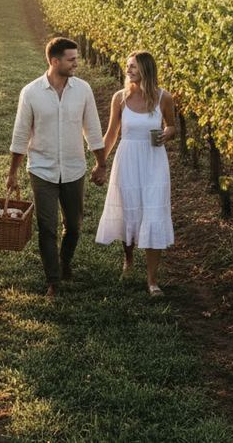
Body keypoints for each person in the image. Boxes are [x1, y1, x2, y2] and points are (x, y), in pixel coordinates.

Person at [8, 37, 106, 298]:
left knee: (73, 226)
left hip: (74, 168)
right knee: (47, 227)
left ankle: (65, 262)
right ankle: (53, 280)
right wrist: (12, 173)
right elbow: (20, 135)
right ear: (54, 61)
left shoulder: (83, 90)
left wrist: (101, 163)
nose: (77, 63)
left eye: (76, 58)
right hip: (42, 169)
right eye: (71, 59)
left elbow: (93, 129)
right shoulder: (31, 93)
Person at [95, 50, 176, 296]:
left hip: (154, 161)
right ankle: (128, 259)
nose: (128, 70)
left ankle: (152, 280)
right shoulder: (120, 98)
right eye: (127, 65)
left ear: (146, 69)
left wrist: (168, 133)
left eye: (133, 66)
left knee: (154, 213)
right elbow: (112, 134)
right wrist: (100, 163)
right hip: (128, 159)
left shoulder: (164, 97)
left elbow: (172, 126)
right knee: (128, 209)